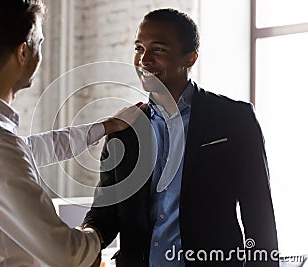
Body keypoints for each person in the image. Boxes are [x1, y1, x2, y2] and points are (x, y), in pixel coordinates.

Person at [0, 0, 145, 266]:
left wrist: (102, 127)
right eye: (39, 42)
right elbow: (64, 254)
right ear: (23, 53)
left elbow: (27, 150)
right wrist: (98, 231)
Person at [83, 8, 278, 267]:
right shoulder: (125, 128)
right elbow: (106, 211)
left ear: (190, 58)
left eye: (158, 49)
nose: (144, 60)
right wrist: (87, 237)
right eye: (139, 48)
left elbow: (259, 216)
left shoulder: (234, 119)